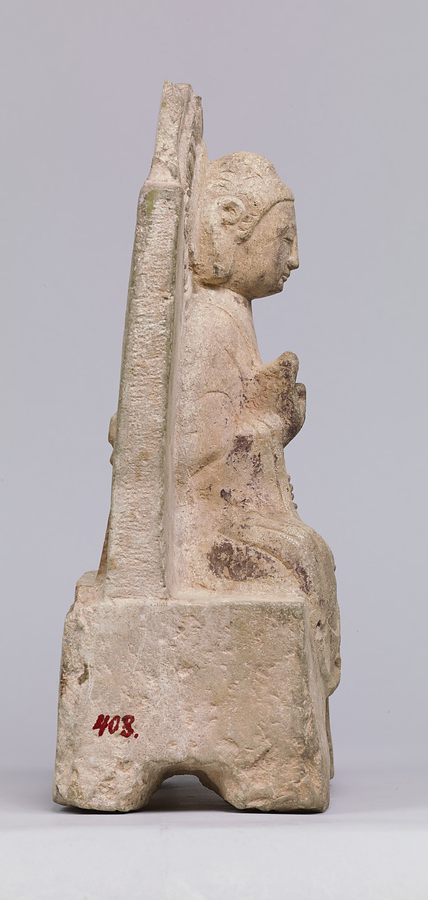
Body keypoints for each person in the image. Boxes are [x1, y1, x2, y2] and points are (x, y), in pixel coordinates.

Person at [172, 152, 341, 697]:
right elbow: (192, 453)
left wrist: (274, 419)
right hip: (201, 522)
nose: (295, 259)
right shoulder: (208, 324)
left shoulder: (231, 314)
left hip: (226, 507)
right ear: (229, 222)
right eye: (284, 239)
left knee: (312, 555)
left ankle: (303, 705)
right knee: (303, 560)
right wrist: (270, 420)